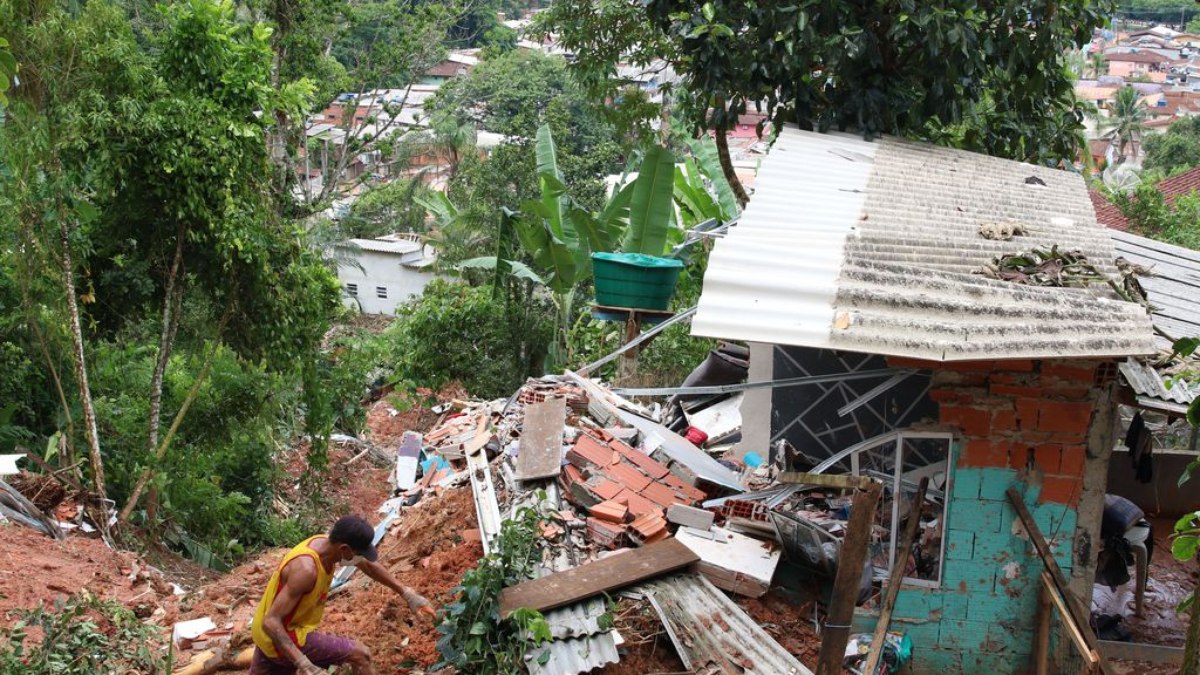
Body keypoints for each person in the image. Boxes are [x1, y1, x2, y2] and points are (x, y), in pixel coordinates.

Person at [250, 515, 434, 675]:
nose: (359, 557)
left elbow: (368, 565)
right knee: (361, 655)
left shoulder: (326, 544)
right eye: (358, 552)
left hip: (266, 635)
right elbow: (271, 622)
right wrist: (304, 663)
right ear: (345, 549)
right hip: (280, 634)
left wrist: (407, 593)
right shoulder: (306, 570)